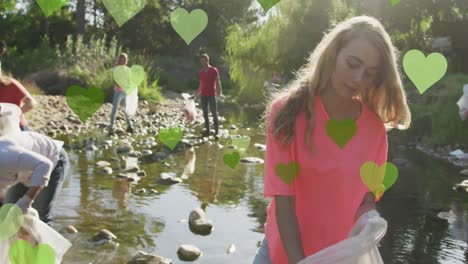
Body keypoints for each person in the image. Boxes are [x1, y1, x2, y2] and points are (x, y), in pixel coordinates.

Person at [252, 16, 411, 264]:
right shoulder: (286, 113)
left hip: (339, 258)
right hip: (280, 255)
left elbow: (364, 201)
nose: (358, 79)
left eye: (369, 73)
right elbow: (284, 200)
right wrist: (299, 261)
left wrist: (371, 221)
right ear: (333, 54)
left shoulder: (374, 129)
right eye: (352, 64)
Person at [0, 103, 69, 224]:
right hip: (21, 169)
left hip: (51, 160)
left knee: (40, 214)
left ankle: (45, 241)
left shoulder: (5, 154)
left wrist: (27, 200)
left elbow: (45, 165)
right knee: (7, 214)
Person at [190, 53, 223, 139]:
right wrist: (195, 95)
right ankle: (207, 131)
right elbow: (201, 85)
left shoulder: (214, 70)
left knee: (214, 113)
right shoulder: (201, 72)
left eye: (204, 61)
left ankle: (216, 132)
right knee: (205, 114)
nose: (203, 63)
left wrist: (220, 92)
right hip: (203, 96)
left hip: (212, 95)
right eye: (202, 61)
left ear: (208, 61)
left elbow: (218, 81)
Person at [109, 53, 134, 136]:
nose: (123, 60)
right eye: (121, 58)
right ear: (119, 59)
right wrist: (120, 85)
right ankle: (111, 127)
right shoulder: (116, 68)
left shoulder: (128, 70)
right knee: (114, 109)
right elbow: (114, 80)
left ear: (126, 60)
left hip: (125, 92)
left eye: (124, 59)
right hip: (118, 91)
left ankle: (129, 126)